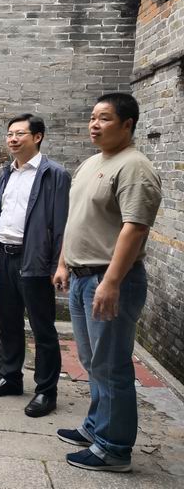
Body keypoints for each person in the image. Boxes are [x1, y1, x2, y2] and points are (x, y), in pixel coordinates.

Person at [54, 93, 162, 473]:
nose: (94, 125)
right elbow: (77, 219)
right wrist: (63, 263)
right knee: (92, 361)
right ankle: (96, 427)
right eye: (92, 118)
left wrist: (112, 281)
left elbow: (135, 228)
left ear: (127, 124)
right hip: (83, 277)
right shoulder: (91, 163)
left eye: (104, 118)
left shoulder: (135, 167)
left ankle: (114, 448)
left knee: (112, 365)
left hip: (110, 279)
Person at [0, 114, 69, 418]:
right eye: (9, 134)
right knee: (8, 322)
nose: (13, 139)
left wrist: (59, 264)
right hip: (4, 256)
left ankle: (46, 391)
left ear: (37, 137)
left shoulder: (54, 174)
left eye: (20, 134)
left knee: (42, 328)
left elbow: (62, 224)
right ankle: (10, 377)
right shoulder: (7, 173)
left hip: (35, 260)